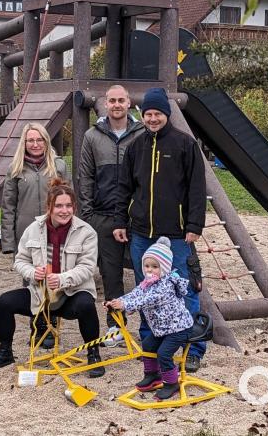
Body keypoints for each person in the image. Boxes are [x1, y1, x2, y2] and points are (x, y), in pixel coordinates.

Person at [112, 87, 207, 373]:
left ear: (166, 115)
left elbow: (196, 188)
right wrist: (120, 220)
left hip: (176, 233)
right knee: (145, 291)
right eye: (148, 114)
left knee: (183, 289)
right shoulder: (136, 146)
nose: (152, 119)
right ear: (142, 115)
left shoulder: (184, 144)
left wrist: (194, 225)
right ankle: (150, 347)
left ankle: (193, 348)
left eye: (157, 114)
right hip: (142, 232)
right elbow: (124, 187)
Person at [0, 179, 105, 378]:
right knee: (4, 302)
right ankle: (5, 352)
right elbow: (20, 261)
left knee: (87, 304)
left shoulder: (86, 232)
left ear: (74, 207)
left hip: (72, 293)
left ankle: (94, 354)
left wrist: (63, 278)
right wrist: (32, 273)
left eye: (68, 206)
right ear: (49, 207)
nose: (64, 211)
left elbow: (88, 268)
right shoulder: (33, 229)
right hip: (40, 293)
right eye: (58, 206)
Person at [77, 85, 144, 344]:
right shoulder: (93, 136)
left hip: (136, 215)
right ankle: (115, 325)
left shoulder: (141, 134)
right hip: (103, 214)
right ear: (106, 104)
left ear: (129, 103)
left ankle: (150, 326)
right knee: (111, 273)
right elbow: (86, 176)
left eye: (121, 100)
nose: (116, 105)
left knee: (144, 271)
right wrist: (88, 213)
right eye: (112, 101)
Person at [2, 123, 70, 349]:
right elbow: (8, 206)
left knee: (53, 278)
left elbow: (68, 198)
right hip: (27, 232)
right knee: (32, 280)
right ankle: (37, 325)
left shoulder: (58, 166)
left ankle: (50, 325)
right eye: (31, 140)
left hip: (54, 231)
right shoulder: (16, 169)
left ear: (46, 141)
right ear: (25, 143)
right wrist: (8, 242)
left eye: (39, 139)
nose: (35, 144)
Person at [105, 237, 193, 400]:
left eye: (155, 267)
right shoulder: (148, 282)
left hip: (179, 328)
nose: (150, 270)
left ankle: (171, 383)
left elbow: (147, 299)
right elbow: (136, 294)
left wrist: (125, 306)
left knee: (164, 353)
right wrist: (119, 301)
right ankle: (153, 375)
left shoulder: (165, 286)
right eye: (147, 266)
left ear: (165, 268)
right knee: (147, 344)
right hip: (163, 328)